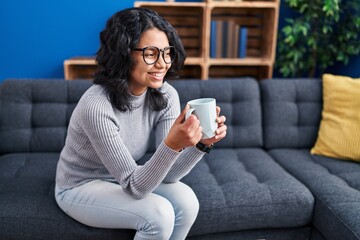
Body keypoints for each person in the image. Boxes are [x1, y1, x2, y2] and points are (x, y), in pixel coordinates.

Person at [55, 7, 227, 240]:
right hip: (80, 186)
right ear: (123, 54)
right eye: (150, 53)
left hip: (125, 178)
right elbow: (134, 187)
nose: (162, 63)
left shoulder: (166, 96)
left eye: (167, 53)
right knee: (158, 214)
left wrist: (201, 144)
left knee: (187, 201)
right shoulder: (96, 106)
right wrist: (172, 146)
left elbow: (169, 174)